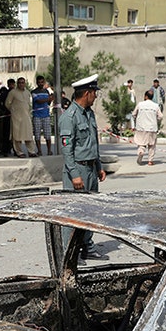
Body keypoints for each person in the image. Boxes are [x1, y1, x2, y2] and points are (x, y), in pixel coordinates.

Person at [58, 74, 106, 259]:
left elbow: (94, 142)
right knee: (73, 213)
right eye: (94, 93)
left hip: (91, 169)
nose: (95, 96)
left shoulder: (89, 114)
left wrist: (99, 165)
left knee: (91, 211)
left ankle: (87, 246)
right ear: (87, 93)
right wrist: (75, 174)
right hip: (77, 170)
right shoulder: (69, 117)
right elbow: (67, 149)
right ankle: (67, 253)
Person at [132, 89, 163, 166]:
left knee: (141, 143)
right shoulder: (155, 106)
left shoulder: (140, 104)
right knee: (152, 145)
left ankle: (141, 152)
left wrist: (136, 119)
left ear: (146, 96)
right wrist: (156, 119)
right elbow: (160, 116)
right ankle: (150, 161)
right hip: (152, 128)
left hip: (141, 128)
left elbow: (133, 114)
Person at [6, 77, 34, 157]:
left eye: (22, 82)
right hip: (16, 117)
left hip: (26, 116)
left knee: (28, 134)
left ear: (24, 84)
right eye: (19, 82)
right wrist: (14, 110)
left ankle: (31, 151)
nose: (21, 84)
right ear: (17, 83)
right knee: (17, 135)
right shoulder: (12, 92)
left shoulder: (27, 92)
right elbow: (7, 104)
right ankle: (19, 152)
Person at [31, 76, 54, 156]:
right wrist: (49, 99)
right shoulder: (34, 92)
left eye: (42, 82)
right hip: (37, 115)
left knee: (48, 134)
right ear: (37, 83)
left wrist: (50, 100)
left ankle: (49, 150)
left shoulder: (46, 91)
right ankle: (39, 151)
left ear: (44, 82)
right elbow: (38, 101)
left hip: (46, 115)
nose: (41, 84)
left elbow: (48, 103)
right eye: (39, 82)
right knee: (37, 135)